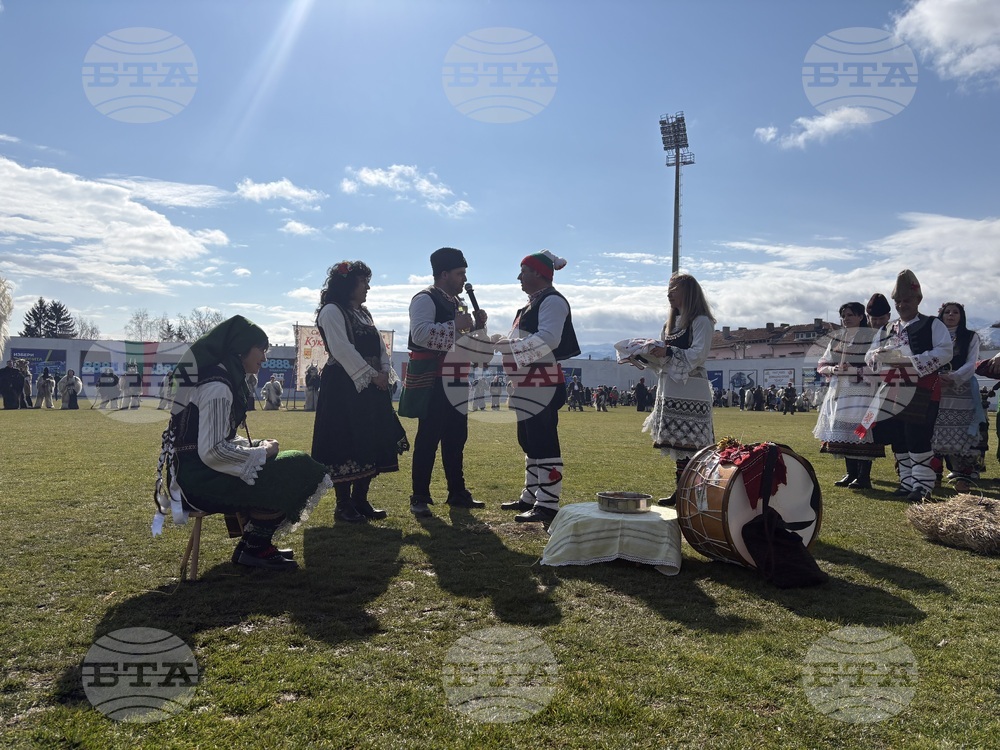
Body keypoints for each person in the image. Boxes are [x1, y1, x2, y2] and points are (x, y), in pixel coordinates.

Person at [154, 315, 331, 570]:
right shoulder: (217, 386)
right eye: (262, 350)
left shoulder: (221, 378)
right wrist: (262, 452)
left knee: (286, 463)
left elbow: (219, 438)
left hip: (196, 472)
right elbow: (212, 450)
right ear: (241, 349)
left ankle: (252, 544)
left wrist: (255, 445)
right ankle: (256, 547)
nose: (265, 358)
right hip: (198, 481)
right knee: (297, 466)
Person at [311, 260, 409, 522]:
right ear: (348, 283)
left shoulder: (364, 313)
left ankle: (361, 499)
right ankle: (343, 505)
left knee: (370, 438)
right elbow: (342, 349)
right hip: (344, 386)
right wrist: (372, 375)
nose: (367, 287)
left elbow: (381, 348)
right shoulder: (332, 311)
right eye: (363, 281)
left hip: (371, 386)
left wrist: (384, 371)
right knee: (345, 439)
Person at [398, 247, 488, 517]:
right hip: (434, 379)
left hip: (456, 378)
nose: (464, 279)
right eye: (460, 273)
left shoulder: (457, 302)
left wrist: (476, 328)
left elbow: (462, 341)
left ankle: (457, 492)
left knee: (456, 437)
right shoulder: (424, 299)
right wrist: (455, 324)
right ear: (444, 274)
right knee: (429, 437)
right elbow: (420, 335)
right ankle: (419, 496)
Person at [493, 250, 580, 524]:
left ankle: (548, 502)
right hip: (527, 382)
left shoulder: (552, 301)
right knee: (529, 440)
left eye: (524, 271)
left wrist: (510, 345)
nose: (519, 277)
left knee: (543, 440)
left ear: (539, 273)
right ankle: (531, 495)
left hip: (542, 381)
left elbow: (549, 339)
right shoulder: (532, 305)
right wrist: (504, 341)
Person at [624, 273, 716, 506]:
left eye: (675, 289)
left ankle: (691, 491)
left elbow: (698, 355)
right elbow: (664, 362)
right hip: (671, 389)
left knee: (692, 445)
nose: (669, 293)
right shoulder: (669, 325)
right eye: (669, 288)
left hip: (692, 390)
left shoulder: (701, 321)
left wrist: (668, 352)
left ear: (689, 292)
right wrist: (642, 356)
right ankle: (681, 490)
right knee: (678, 445)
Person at [864, 269, 953, 502]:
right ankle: (906, 483)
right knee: (898, 437)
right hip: (893, 389)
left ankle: (922, 485)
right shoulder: (887, 329)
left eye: (907, 300)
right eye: (898, 301)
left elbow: (945, 352)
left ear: (918, 300)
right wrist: (878, 356)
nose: (902, 305)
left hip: (922, 389)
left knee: (918, 436)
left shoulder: (932, 324)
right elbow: (869, 355)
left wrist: (909, 361)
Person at [813, 302, 884, 489]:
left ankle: (863, 476)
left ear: (861, 316)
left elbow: (877, 365)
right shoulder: (837, 339)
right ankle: (851, 472)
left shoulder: (870, 337)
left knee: (860, 429)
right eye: (843, 316)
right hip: (840, 390)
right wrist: (834, 369)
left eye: (850, 315)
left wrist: (854, 370)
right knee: (844, 430)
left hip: (862, 391)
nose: (846, 319)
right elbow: (822, 363)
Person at [931, 302, 982, 493]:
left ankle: (963, 478)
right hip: (936, 387)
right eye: (947, 312)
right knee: (933, 430)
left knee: (962, 432)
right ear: (941, 315)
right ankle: (934, 476)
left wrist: (953, 377)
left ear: (962, 316)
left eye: (955, 312)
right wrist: (937, 377)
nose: (951, 315)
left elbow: (971, 362)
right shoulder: (933, 336)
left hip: (962, 389)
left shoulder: (970, 336)